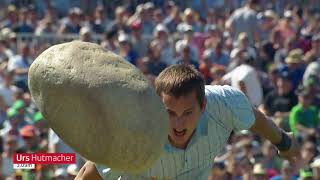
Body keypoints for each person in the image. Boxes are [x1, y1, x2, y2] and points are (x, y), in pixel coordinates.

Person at [75, 64, 299, 179]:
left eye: (188, 113)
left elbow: (255, 119)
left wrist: (283, 143)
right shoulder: (134, 133)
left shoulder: (224, 104)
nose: (178, 124)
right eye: (170, 113)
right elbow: (88, 174)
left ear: (203, 107)